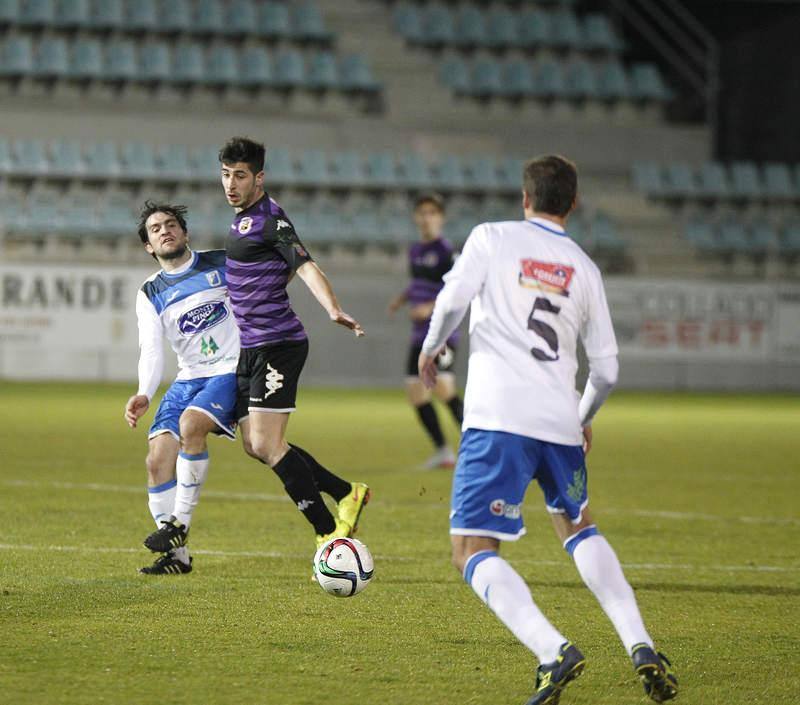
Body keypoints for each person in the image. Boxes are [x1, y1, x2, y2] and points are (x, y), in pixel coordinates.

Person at [418, 155, 678, 704]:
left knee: (470, 549)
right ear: (573, 203)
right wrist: (582, 418)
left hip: (498, 420)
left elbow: (451, 300)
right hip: (560, 421)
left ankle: (552, 650)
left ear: (525, 197)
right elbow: (607, 370)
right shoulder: (584, 267)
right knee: (579, 527)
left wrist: (430, 348)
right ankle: (642, 646)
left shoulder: (492, 237)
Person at [219, 136, 369, 549]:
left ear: (259, 178)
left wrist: (333, 308)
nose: (231, 184)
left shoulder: (271, 219)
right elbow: (275, 268)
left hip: (278, 344)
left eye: (240, 176)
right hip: (251, 347)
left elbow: (304, 266)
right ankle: (346, 492)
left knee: (268, 443)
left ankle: (328, 534)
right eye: (226, 174)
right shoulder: (242, 218)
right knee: (255, 445)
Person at [125, 201, 240, 575]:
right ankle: (178, 557)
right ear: (149, 246)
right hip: (188, 378)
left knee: (192, 426)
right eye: (155, 228)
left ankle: (180, 523)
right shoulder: (150, 291)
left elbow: (269, 281)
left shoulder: (221, 262)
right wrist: (145, 392)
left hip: (229, 369)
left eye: (171, 224)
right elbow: (151, 348)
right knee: (157, 460)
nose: (165, 230)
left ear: (185, 233)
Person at [388, 193, 464, 469]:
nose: (426, 218)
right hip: (420, 335)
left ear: (441, 218)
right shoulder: (416, 251)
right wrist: (402, 299)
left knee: (443, 388)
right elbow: (418, 283)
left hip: (442, 334)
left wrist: (429, 307)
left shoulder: (446, 251)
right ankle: (443, 451)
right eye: (422, 212)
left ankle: (482, 447)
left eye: (432, 213)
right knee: (415, 392)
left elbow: (457, 289)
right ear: (415, 217)